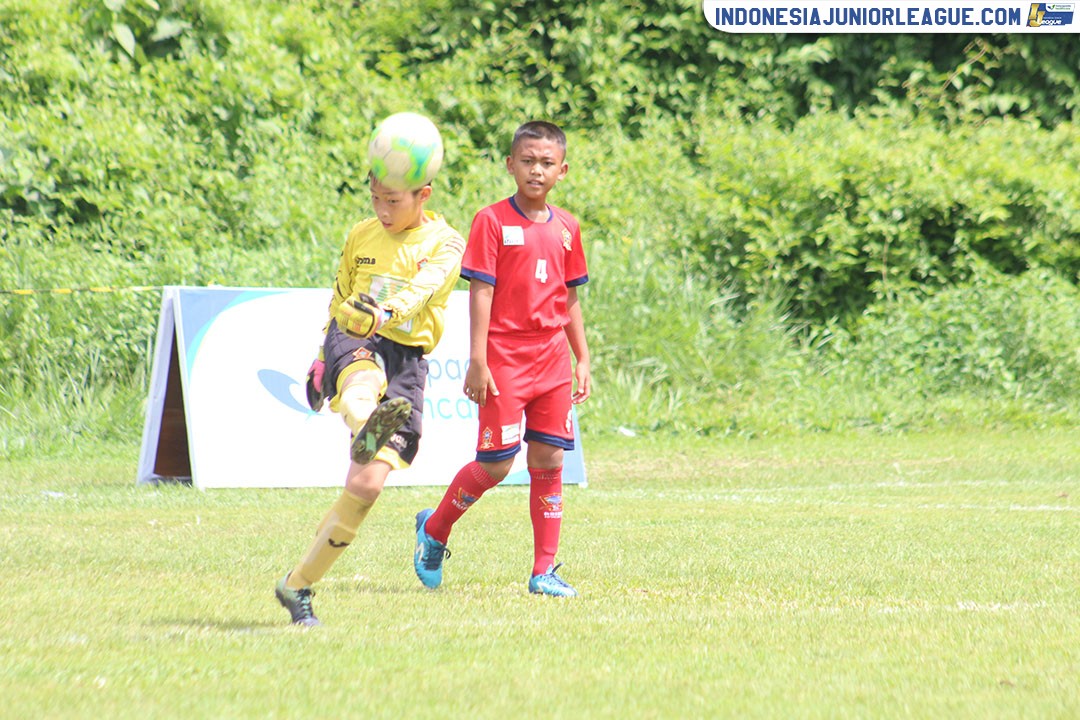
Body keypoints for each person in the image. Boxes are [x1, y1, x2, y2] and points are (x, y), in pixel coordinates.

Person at [275, 155, 465, 626]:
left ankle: (296, 586)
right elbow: (341, 294)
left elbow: (424, 288)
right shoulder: (361, 234)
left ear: (424, 195)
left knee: (365, 486)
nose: (382, 210)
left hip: (406, 356)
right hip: (355, 334)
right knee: (363, 386)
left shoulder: (446, 243)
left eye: (393, 201)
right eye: (376, 198)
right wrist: (323, 356)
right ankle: (367, 419)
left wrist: (388, 311)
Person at [412, 120, 591, 598]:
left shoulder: (569, 228)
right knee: (496, 465)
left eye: (546, 163)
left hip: (552, 360)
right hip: (505, 359)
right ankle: (435, 529)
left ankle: (543, 571)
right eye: (527, 161)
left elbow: (570, 299)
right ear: (511, 164)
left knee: (549, 459)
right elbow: (480, 293)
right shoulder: (491, 221)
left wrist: (583, 358)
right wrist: (477, 359)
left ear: (562, 171)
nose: (536, 170)